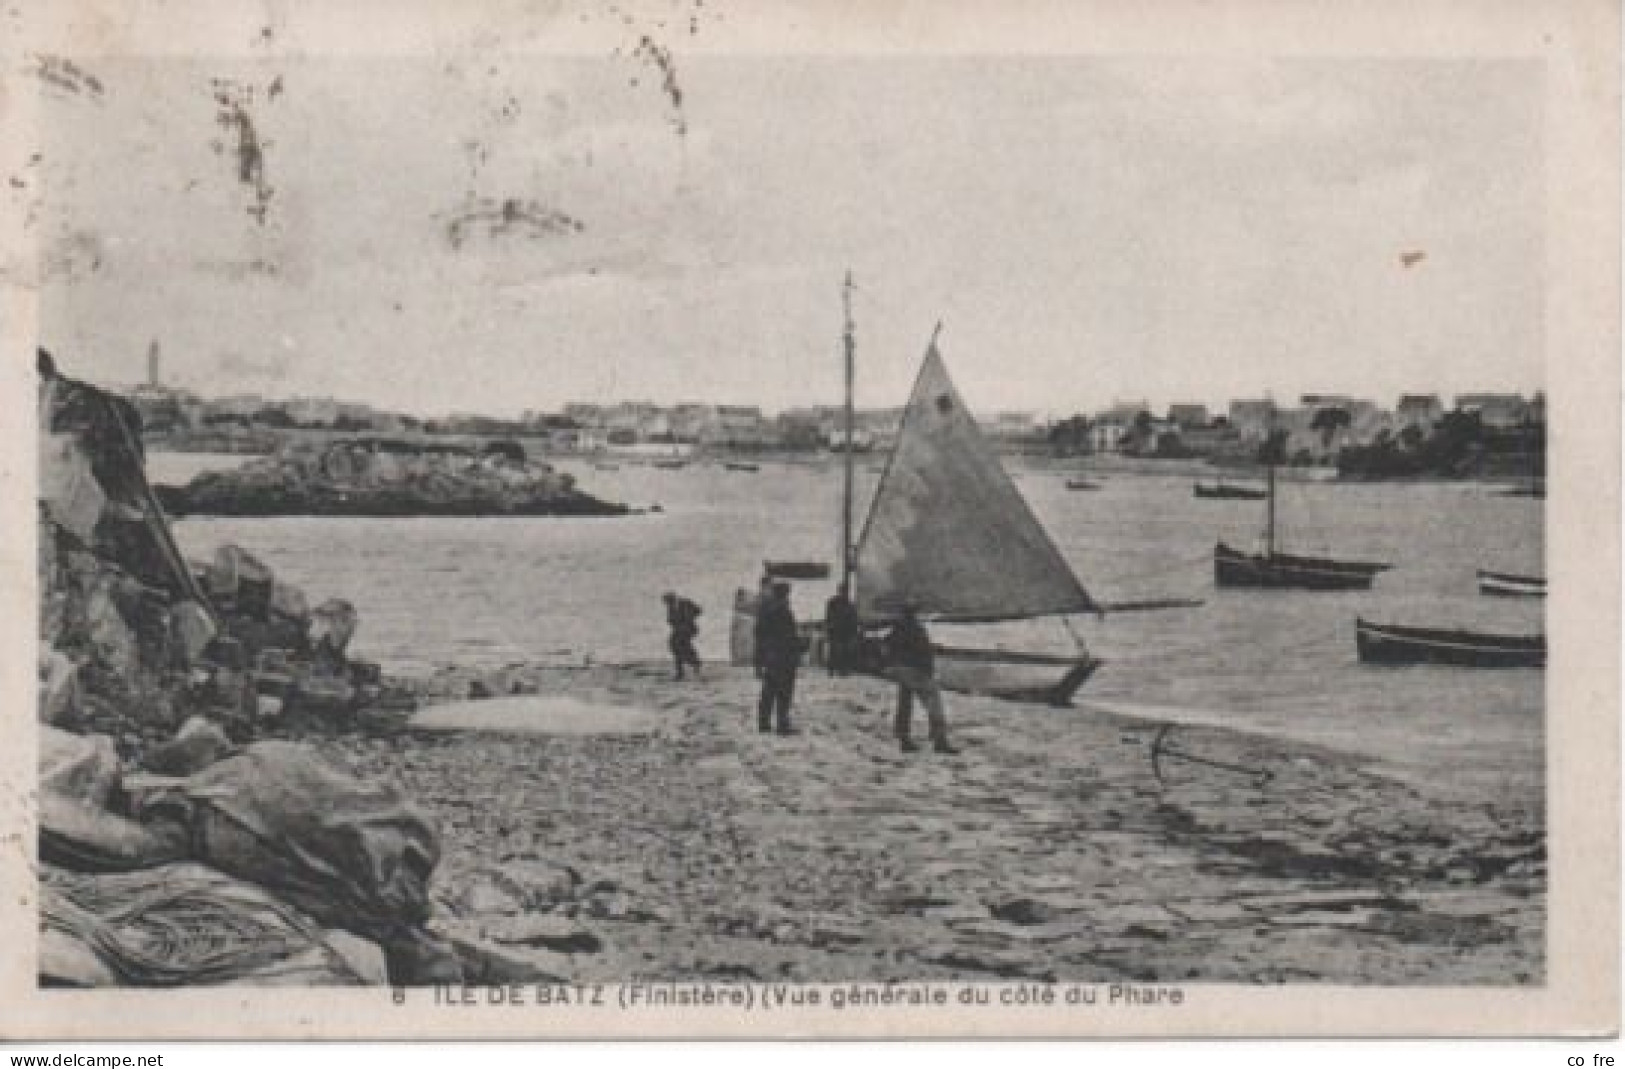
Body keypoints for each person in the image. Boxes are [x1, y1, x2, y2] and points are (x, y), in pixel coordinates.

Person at [884, 603, 958, 754]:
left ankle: (904, 739)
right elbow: (922, 651)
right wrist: (929, 667)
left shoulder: (897, 628)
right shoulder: (916, 629)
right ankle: (940, 740)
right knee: (934, 703)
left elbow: (889, 645)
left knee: (904, 704)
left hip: (901, 670)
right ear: (914, 614)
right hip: (917, 671)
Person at [754, 581, 801, 735]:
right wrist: (800, 645)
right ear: (785, 594)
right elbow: (789, 635)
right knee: (784, 691)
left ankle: (763, 723)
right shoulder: (783, 610)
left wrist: (759, 660)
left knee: (769, 690)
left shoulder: (765, 610)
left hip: (770, 655)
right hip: (784, 656)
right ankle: (782, 724)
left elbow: (759, 634)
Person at [662, 592, 702, 680]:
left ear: (674, 599)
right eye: (667, 603)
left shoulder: (685, 603)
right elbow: (670, 620)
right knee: (676, 647)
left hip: (688, 629)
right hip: (678, 630)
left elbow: (698, 610)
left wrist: (689, 618)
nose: (668, 604)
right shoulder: (671, 608)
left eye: (669, 602)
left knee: (682, 646)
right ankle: (684, 669)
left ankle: (693, 664)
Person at [824, 581, 860, 677]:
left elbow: (854, 619)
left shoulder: (849, 604)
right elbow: (829, 617)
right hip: (836, 631)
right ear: (839, 591)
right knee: (835, 651)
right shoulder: (833, 603)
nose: (844, 593)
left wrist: (854, 632)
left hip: (845, 631)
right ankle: (832, 669)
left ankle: (842, 670)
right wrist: (829, 628)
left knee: (844, 651)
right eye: (842, 591)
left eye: (845, 591)